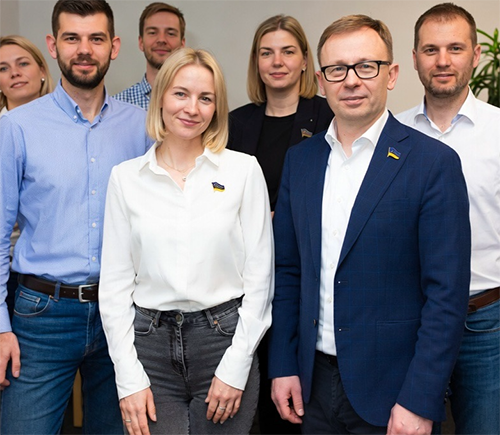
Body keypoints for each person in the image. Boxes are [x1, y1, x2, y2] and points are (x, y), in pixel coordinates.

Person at [268, 14, 471, 435]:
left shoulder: (433, 164)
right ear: (320, 81)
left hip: (394, 392)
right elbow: (288, 272)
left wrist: (419, 399)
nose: (351, 81)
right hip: (312, 386)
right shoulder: (300, 162)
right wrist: (283, 364)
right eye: (337, 69)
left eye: (366, 66)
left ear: (391, 74)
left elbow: (446, 295)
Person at [99, 47, 273, 435]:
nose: (192, 108)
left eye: (205, 98)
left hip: (223, 343)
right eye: (181, 93)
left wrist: (237, 365)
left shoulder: (243, 171)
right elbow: (114, 287)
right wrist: (128, 377)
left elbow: (260, 280)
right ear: (161, 97)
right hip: (149, 350)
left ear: (217, 107)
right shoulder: (125, 179)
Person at [0, 0, 151, 433]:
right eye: (72, 38)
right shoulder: (17, 127)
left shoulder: (143, 127)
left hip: (122, 314)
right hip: (41, 316)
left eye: (96, 38)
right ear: (53, 46)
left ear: (114, 47)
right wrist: (0, 327)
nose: (84, 49)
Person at [397, 3, 500, 434]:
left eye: (455, 48)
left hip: (486, 323)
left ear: (476, 55)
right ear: (414, 58)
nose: (443, 61)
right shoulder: (392, 135)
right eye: (431, 49)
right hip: (410, 321)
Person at [228, 14, 332, 213]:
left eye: (288, 52)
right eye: (267, 53)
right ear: (256, 62)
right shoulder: (234, 123)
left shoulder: (330, 118)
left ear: (304, 61)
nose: (277, 62)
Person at [0, 35, 55, 319]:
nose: (14, 73)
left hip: (55, 279)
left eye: (23, 63)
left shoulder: (71, 129)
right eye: (3, 68)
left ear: (42, 70)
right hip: (11, 268)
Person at [114, 2, 185, 110]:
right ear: (141, 42)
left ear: (182, 44)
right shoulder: (118, 106)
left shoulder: (195, 104)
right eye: (152, 32)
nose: (161, 39)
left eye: (170, 33)